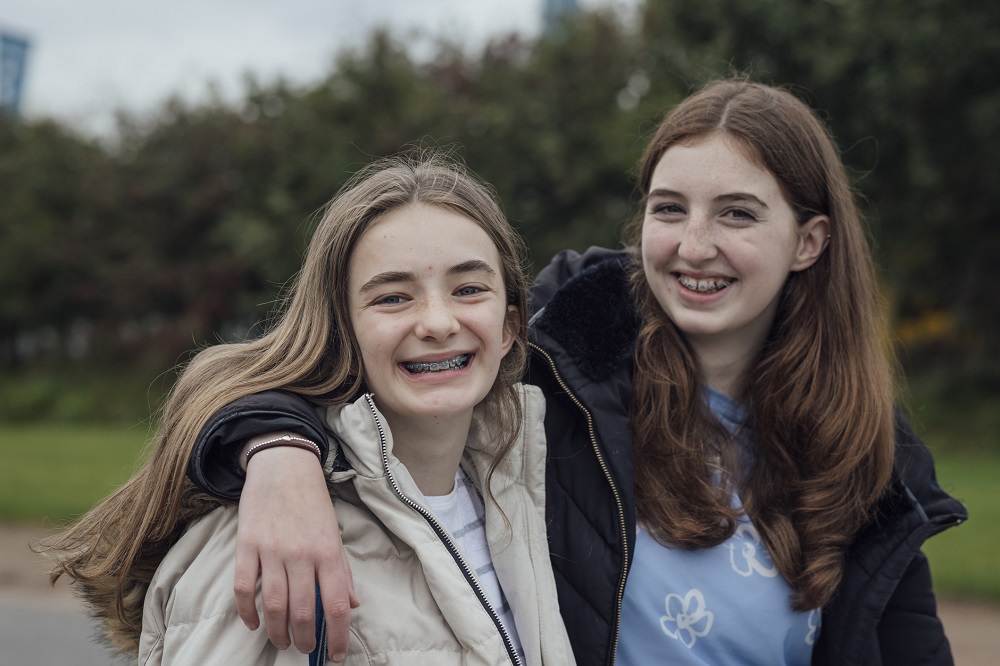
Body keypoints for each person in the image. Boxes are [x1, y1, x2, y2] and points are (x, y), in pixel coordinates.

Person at [184, 80, 967, 665]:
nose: (694, 245)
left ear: (810, 241)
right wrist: (278, 458)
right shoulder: (567, 344)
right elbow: (324, 359)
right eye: (669, 209)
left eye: (737, 214)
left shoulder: (869, 448)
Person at [44, 155, 575, 665]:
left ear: (508, 328)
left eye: (469, 289)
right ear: (342, 329)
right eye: (392, 297)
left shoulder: (521, 489)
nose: (437, 322)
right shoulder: (271, 537)